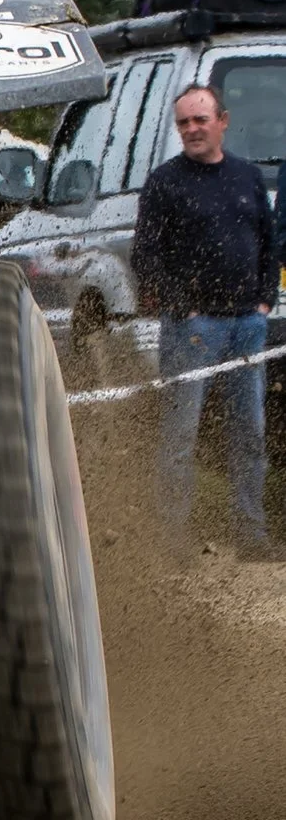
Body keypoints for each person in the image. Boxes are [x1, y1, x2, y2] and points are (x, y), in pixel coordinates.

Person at [135, 83, 279, 557]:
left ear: (223, 121)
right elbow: (146, 255)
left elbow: (267, 241)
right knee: (180, 436)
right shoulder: (164, 181)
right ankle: (172, 541)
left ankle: (250, 538)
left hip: (248, 324)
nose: (193, 129)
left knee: (249, 434)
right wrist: (183, 307)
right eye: (184, 123)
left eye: (201, 120)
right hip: (192, 330)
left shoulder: (248, 177)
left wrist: (264, 300)